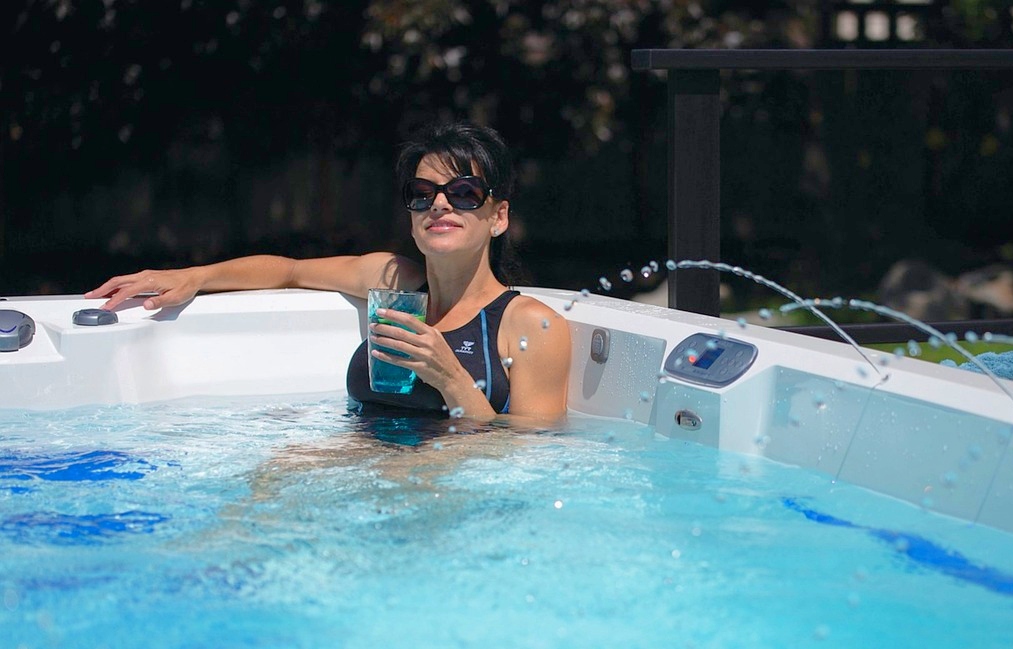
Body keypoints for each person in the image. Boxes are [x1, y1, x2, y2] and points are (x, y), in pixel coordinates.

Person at [85, 122, 571, 423]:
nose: (439, 203)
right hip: (358, 469)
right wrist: (195, 276)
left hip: (443, 492)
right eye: (422, 193)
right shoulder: (393, 280)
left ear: (499, 216)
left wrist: (452, 380)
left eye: (463, 192)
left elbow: (523, 468)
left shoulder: (530, 325)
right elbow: (290, 272)